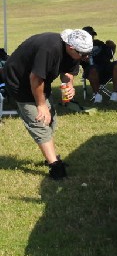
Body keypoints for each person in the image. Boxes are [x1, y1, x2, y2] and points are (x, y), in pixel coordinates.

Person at [2, 29, 93, 180]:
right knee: (40, 120)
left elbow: (68, 72)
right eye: (83, 54)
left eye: (88, 53)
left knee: (51, 120)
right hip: (19, 81)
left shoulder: (74, 50)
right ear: (70, 47)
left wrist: (69, 84)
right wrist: (41, 104)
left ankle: (50, 156)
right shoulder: (49, 49)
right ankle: (55, 165)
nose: (86, 57)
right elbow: (35, 78)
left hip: (38, 81)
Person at [81, 26, 117, 103]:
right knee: (93, 68)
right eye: (88, 35)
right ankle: (97, 95)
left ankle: (115, 93)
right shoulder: (80, 47)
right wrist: (82, 58)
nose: (91, 37)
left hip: (105, 67)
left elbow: (110, 55)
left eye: (92, 35)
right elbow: (76, 62)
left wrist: (112, 47)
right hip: (91, 71)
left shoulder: (99, 44)